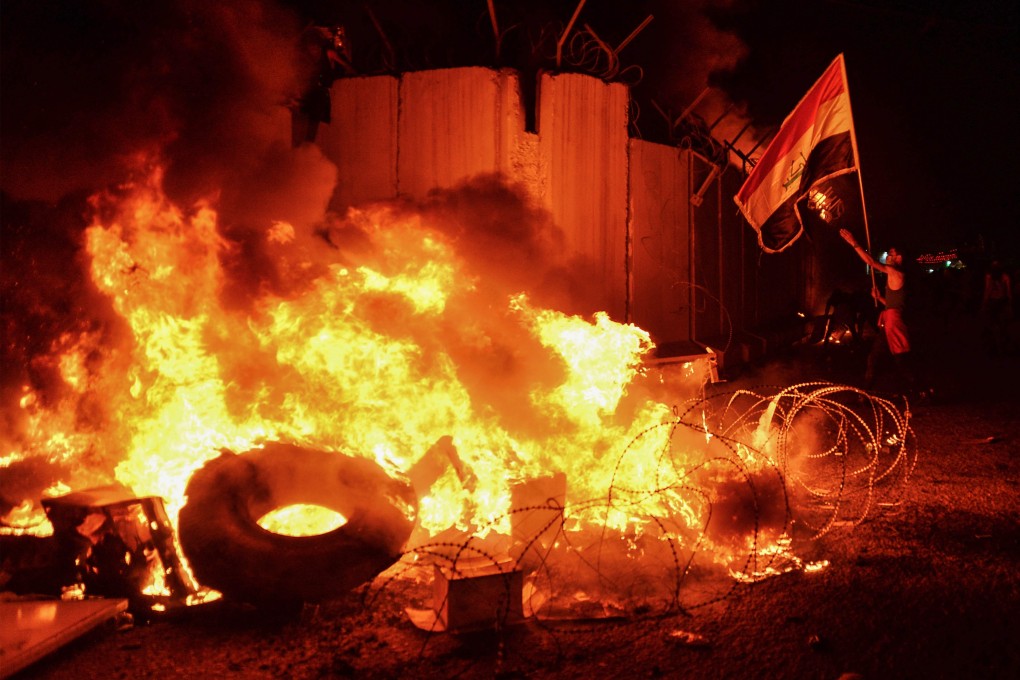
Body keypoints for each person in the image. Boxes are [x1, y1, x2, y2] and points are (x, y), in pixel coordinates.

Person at [839, 228, 929, 398]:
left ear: (900, 258)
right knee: (874, 358)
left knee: (901, 360)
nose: (889, 256)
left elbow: (872, 263)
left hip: (894, 322)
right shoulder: (895, 274)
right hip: (890, 319)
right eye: (889, 253)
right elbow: (893, 304)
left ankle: (922, 391)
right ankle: (865, 394)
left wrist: (854, 243)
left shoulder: (896, 272)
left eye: (892, 254)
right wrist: (880, 298)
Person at [981, 259, 1013, 355]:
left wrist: (984, 303)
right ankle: (1000, 345)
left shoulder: (990, 277)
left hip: (995, 302)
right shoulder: (1004, 277)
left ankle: (997, 346)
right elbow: (1008, 291)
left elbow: (987, 291)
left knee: (995, 324)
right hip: (999, 302)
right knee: (1000, 325)